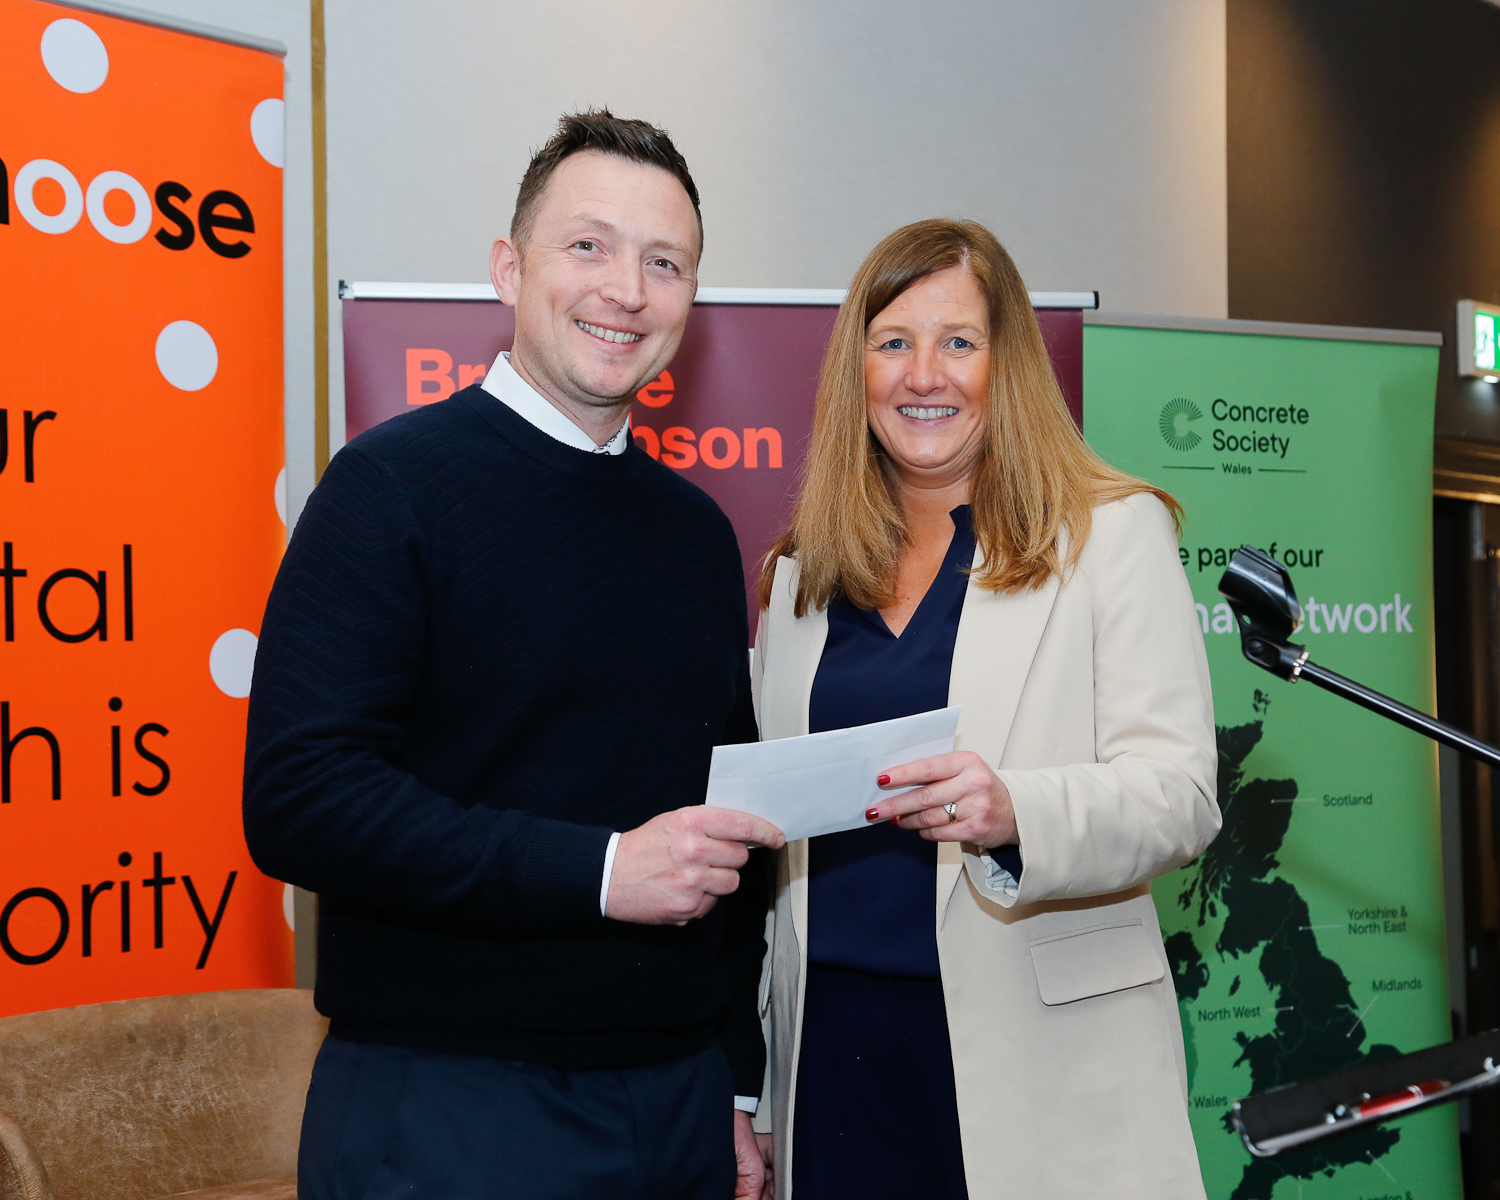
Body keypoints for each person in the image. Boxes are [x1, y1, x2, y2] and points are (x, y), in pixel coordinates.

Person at [243, 111, 784, 1200]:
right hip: (448, 1106)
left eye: (665, 262)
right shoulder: (388, 489)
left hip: (679, 1102)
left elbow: (724, 817)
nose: (625, 290)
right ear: (508, 268)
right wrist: (599, 872)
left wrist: (732, 1081)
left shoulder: (696, 533)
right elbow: (301, 798)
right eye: (588, 246)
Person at [750, 218, 1220, 1200]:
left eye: (958, 341)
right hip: (828, 1058)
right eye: (893, 342)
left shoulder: (1111, 536)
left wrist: (1016, 812)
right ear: (855, 371)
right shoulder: (800, 574)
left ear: (1007, 366)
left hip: (1038, 1059)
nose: (925, 375)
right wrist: (754, 1095)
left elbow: (1179, 797)